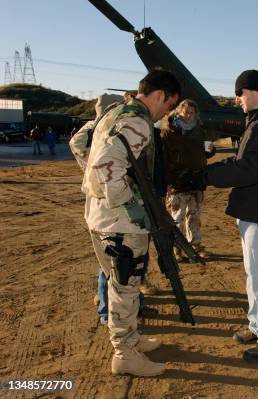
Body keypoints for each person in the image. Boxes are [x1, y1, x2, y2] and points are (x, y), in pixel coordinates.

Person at [191, 70, 258, 362]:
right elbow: (241, 161)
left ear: (255, 91)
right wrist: (208, 171)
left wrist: (206, 177)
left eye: (240, 93)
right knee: (256, 274)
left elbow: (251, 169)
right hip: (256, 209)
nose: (237, 100)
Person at [83, 69, 180, 376]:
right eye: (168, 106)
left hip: (101, 215)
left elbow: (85, 147)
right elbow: (105, 165)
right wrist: (132, 203)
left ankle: (131, 338)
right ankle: (124, 353)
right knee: (126, 286)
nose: (166, 113)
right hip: (120, 221)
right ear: (160, 95)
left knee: (120, 283)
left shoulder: (115, 111)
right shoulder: (138, 121)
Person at [160, 99, 215, 260]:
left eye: (192, 113)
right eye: (186, 112)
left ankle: (196, 246)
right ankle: (177, 249)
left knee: (195, 216)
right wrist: (168, 181)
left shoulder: (199, 130)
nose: (189, 116)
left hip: (197, 180)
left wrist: (211, 150)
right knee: (177, 218)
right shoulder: (169, 131)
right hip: (177, 182)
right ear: (178, 112)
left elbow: (205, 153)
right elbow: (163, 159)